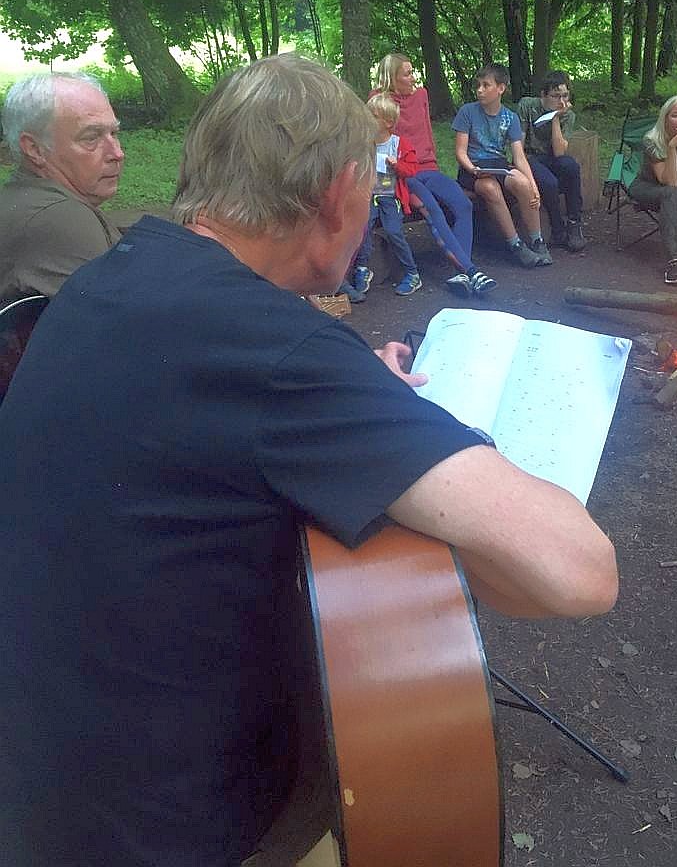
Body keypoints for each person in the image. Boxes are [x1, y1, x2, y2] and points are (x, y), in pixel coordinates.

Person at [0, 54, 618, 867]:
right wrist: (406, 418)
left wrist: (358, 403)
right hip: (164, 828)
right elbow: (579, 573)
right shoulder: (277, 353)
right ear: (339, 193)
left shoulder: (110, 278)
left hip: (39, 782)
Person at [373, 53, 497, 296]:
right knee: (432, 209)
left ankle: (462, 274)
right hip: (402, 175)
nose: (413, 78)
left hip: (428, 168)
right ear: (391, 78)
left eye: (412, 72)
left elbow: (427, 133)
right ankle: (470, 270)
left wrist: (432, 163)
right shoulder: (379, 103)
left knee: (463, 205)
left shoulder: (421, 95)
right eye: (407, 74)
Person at [0, 72, 123, 302]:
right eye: (91, 138)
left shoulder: (25, 197)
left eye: (114, 133)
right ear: (35, 149)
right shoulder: (59, 217)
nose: (117, 153)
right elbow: (126, 317)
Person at [453, 64, 552, 268]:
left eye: (486, 85)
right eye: (478, 85)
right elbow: (460, 152)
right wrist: (473, 169)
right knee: (490, 187)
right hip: (473, 168)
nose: (480, 90)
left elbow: (519, 157)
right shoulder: (467, 112)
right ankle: (515, 244)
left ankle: (537, 241)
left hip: (498, 165)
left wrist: (533, 186)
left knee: (522, 183)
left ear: (501, 88)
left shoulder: (510, 117)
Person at [629, 94, 677, 286]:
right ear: (665, 118)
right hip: (647, 187)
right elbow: (669, 181)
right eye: (675, 115)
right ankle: (674, 261)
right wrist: (672, 148)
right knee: (671, 193)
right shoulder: (652, 139)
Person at [352, 94, 422, 297]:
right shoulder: (365, 145)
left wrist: (397, 165)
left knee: (393, 231)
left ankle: (412, 273)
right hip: (370, 196)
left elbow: (412, 170)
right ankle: (362, 268)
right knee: (363, 227)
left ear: (388, 122)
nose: (367, 119)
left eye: (373, 116)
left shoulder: (399, 144)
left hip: (391, 197)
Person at [517, 70, 586, 252]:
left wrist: (555, 118)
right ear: (543, 95)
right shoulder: (527, 105)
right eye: (556, 96)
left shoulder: (568, 115)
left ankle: (574, 223)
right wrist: (519, 163)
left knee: (571, 166)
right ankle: (557, 228)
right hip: (530, 156)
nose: (561, 101)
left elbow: (559, 152)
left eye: (565, 96)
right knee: (550, 182)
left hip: (552, 157)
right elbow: (519, 143)